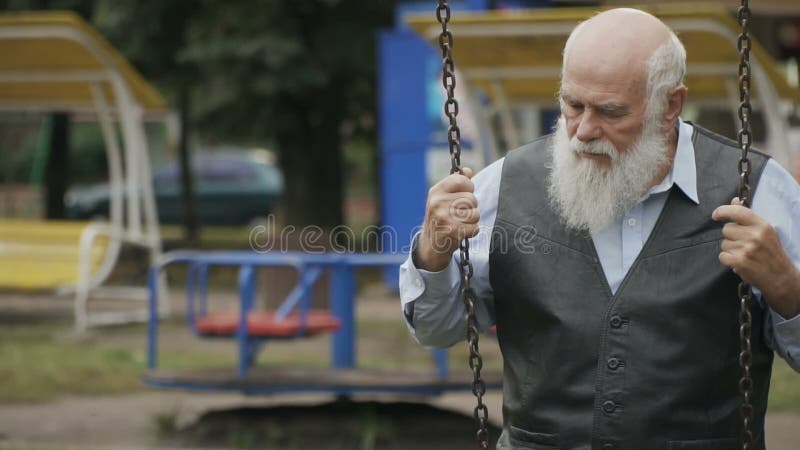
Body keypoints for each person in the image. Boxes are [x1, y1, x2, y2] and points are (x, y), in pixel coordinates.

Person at [399, 8, 800, 450]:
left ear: (670, 105)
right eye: (573, 104)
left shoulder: (759, 191)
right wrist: (433, 253)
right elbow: (436, 331)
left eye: (610, 112)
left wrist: (788, 290)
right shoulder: (503, 186)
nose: (584, 131)